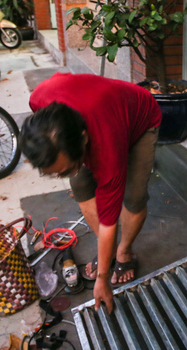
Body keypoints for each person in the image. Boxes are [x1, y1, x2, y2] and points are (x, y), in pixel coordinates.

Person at [20, 73, 162, 314]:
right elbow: (83, 192)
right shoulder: (39, 101)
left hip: (141, 117)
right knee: (81, 186)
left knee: (134, 197)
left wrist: (102, 278)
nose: (61, 177)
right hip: (100, 111)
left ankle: (123, 251)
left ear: (84, 140)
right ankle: (105, 251)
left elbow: (109, 221)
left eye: (64, 170)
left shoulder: (107, 151)